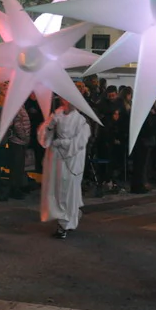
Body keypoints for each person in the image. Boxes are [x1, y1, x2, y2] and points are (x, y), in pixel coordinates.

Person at [38, 97, 91, 238]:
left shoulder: (81, 121)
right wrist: (50, 126)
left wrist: (62, 142)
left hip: (71, 162)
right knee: (57, 190)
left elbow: (80, 142)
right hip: (56, 160)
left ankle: (66, 223)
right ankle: (65, 220)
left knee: (67, 192)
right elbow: (44, 134)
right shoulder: (57, 114)